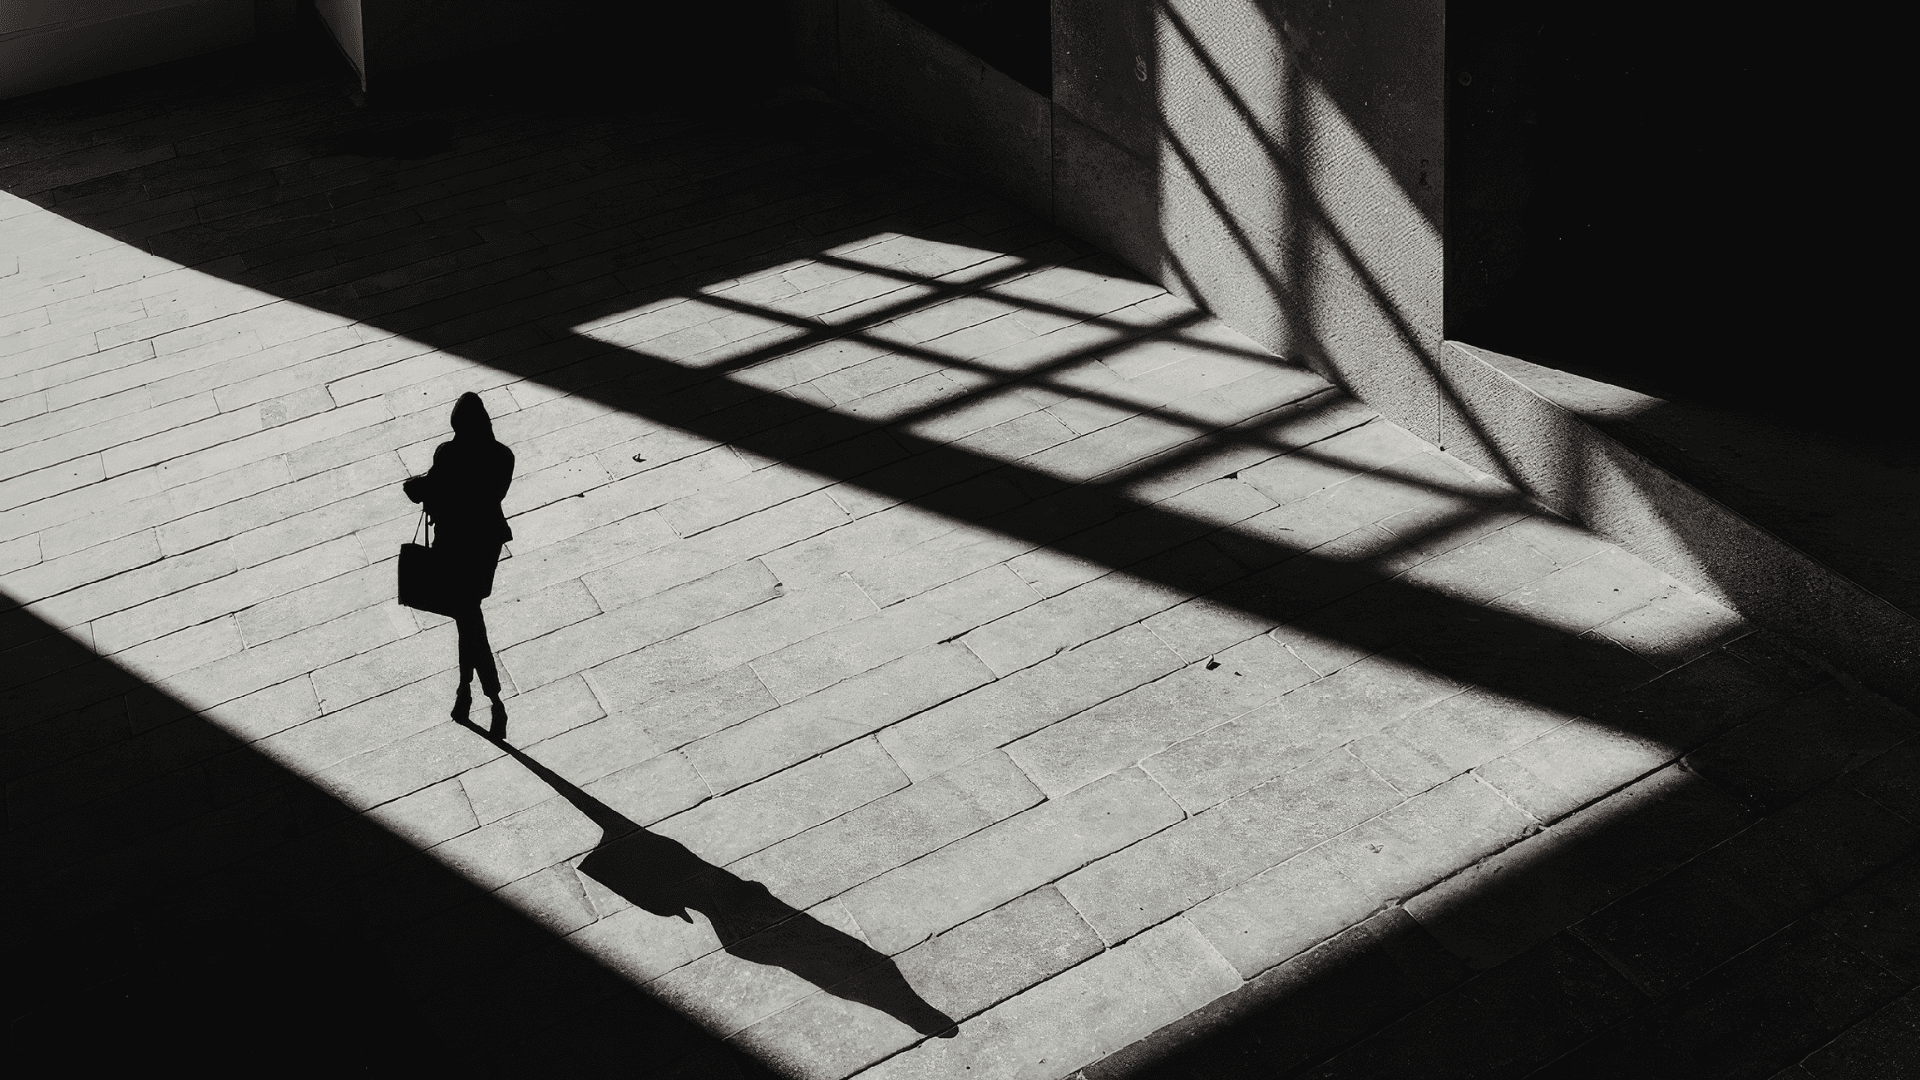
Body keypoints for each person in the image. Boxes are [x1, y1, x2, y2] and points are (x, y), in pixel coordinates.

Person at [403, 392, 515, 730]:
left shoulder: (448, 452)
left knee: (465, 615)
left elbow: (422, 492)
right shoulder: (503, 455)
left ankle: (483, 691)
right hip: (485, 545)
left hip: (452, 545)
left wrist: (418, 483)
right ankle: (474, 690)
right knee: (468, 611)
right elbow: (493, 495)